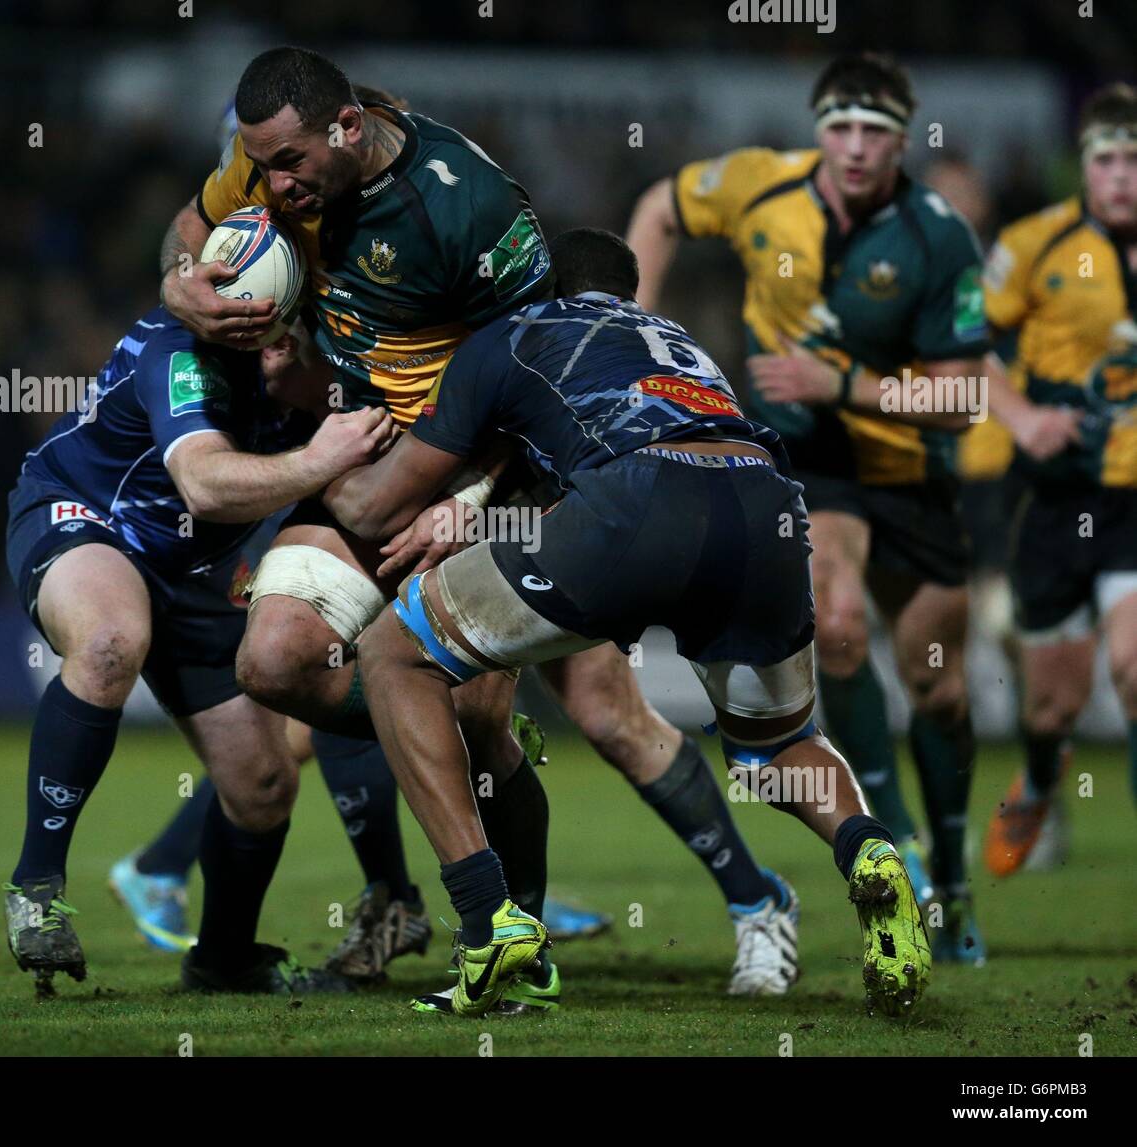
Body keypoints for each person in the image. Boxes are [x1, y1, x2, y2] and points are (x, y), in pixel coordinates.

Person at [154, 49, 802, 999]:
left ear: (345, 129)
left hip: (478, 471)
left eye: (290, 162)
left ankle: (742, 903)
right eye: (263, 166)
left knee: (607, 713)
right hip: (359, 462)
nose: (276, 186)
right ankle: (459, 750)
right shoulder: (265, 166)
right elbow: (191, 225)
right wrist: (182, 282)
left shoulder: (469, 206)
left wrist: (466, 502)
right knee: (276, 661)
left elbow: (538, 364)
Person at [326, 228, 929, 1019]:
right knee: (777, 745)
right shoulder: (676, 344)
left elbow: (378, 502)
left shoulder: (517, 331)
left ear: (540, 286)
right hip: (765, 503)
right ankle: (868, 847)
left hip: (635, 507)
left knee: (393, 653)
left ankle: (487, 923)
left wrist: (320, 465)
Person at [627, 50, 991, 964]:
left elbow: (965, 398)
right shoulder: (757, 184)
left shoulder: (939, 236)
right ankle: (891, 838)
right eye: (841, 127)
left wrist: (846, 385)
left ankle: (951, 871)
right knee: (834, 627)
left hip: (911, 474)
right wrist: (636, 321)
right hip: (807, 469)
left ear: (904, 140)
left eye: (876, 132)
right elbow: (661, 208)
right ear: (817, 127)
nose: (856, 147)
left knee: (938, 686)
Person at [2, 302, 394, 996]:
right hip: (87, 517)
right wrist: (320, 459)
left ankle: (224, 960)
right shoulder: (184, 354)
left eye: (292, 339)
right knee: (109, 640)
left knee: (265, 783)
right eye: (266, 335)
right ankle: (36, 888)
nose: (274, 350)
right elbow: (205, 484)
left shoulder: (340, 392)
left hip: (191, 572)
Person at [981, 83, 1137, 874]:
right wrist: (1022, 418)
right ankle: (1040, 778)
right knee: (1055, 703)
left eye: (1134, 159)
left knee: (1136, 667)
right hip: (1054, 499)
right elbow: (965, 344)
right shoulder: (1035, 244)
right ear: (1082, 165)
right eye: (1107, 158)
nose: (1122, 176)